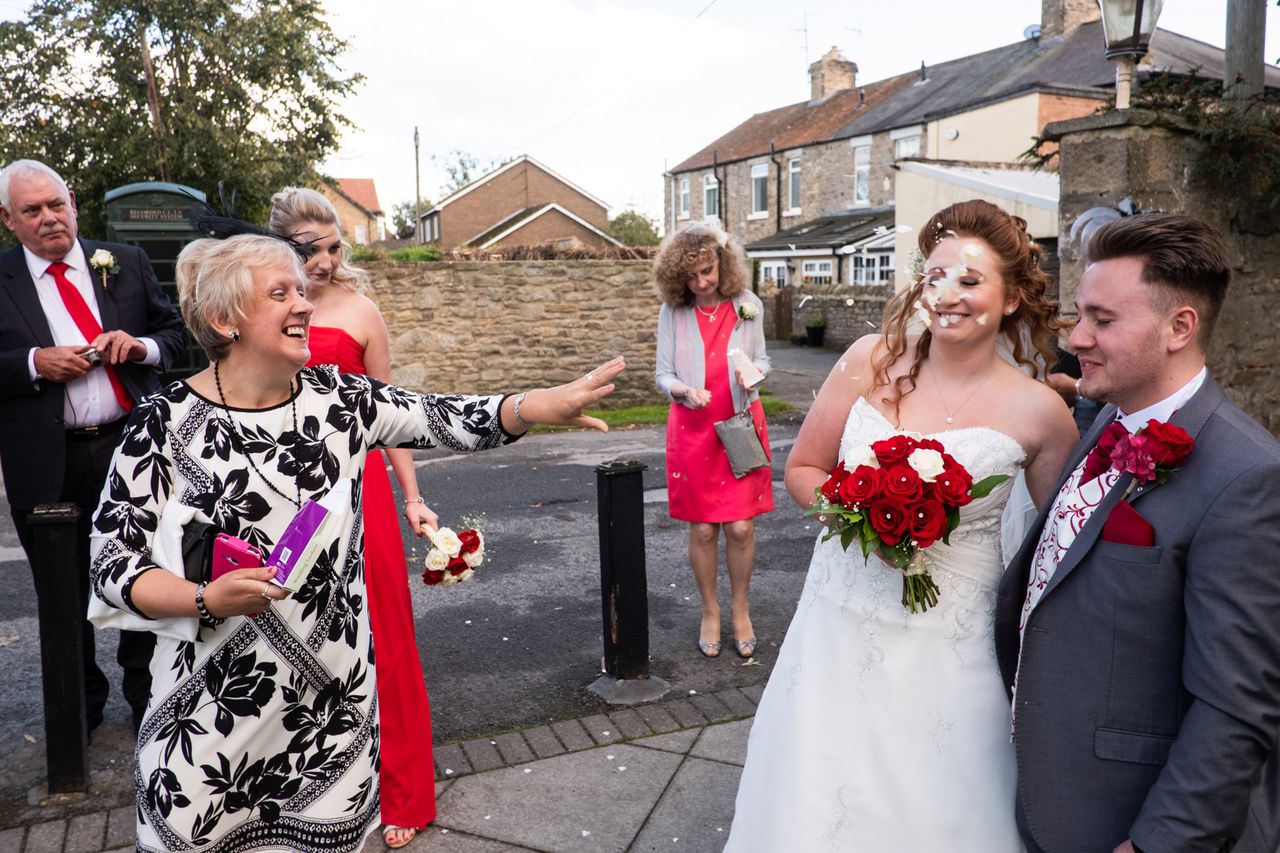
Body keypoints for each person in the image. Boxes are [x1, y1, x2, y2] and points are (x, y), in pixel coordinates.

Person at [88, 232, 624, 852]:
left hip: (331, 713)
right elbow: (112, 564)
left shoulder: (341, 402)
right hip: (208, 718)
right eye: (280, 293)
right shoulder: (163, 423)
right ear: (223, 319)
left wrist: (534, 405)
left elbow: (447, 417)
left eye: (302, 291)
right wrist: (205, 598)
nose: (305, 304)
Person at [725, 199, 1078, 851]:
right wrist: (858, 515)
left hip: (953, 646)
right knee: (817, 795)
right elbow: (804, 467)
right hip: (839, 624)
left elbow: (1057, 551)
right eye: (934, 275)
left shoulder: (1042, 414)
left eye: (969, 280)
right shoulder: (869, 359)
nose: (947, 294)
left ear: (1008, 298)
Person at [995, 213, 1280, 852]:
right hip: (1055, 788)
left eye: (1103, 319)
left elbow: (1238, 706)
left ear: (1180, 327)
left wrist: (1157, 844)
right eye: (1079, 314)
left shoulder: (1248, 477)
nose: (1077, 338)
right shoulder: (1108, 423)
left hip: (1127, 818)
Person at [269, 188, 434, 849]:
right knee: (294, 635)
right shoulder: (267, 313)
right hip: (287, 491)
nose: (328, 260)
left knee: (384, 638)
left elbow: (391, 413)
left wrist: (412, 496)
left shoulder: (363, 311)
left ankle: (403, 793)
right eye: (313, 249)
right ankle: (306, 792)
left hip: (358, 490)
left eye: (336, 246)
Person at [0, 158, 186, 733]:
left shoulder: (123, 262)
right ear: (9, 219)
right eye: (32, 211)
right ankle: (77, 709)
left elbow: (177, 335)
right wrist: (33, 364)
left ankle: (147, 697)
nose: (49, 219)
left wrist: (143, 348)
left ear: (73, 201)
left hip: (129, 449)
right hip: (44, 457)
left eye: (56, 205)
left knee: (142, 572)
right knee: (62, 588)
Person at [653, 221, 773, 659]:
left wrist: (754, 373)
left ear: (722, 264)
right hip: (693, 428)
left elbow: (761, 360)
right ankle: (710, 611)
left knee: (741, 527)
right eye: (692, 276)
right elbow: (662, 374)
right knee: (704, 530)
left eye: (708, 271)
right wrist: (683, 390)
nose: (702, 283)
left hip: (740, 424)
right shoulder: (674, 313)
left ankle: (740, 609)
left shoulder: (748, 305)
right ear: (678, 278)